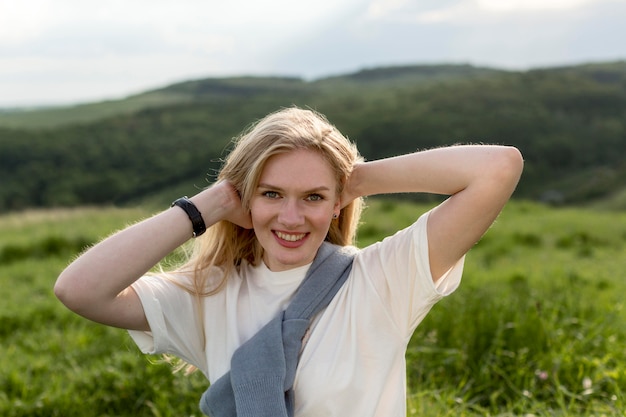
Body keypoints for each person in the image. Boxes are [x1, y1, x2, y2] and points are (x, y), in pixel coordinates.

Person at [54, 107, 523, 417]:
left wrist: (353, 179)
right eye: (271, 194)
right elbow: (79, 290)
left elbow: (498, 167)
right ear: (245, 200)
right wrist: (208, 204)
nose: (292, 218)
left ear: (336, 203)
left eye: (313, 197)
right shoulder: (209, 293)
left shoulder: (383, 278)